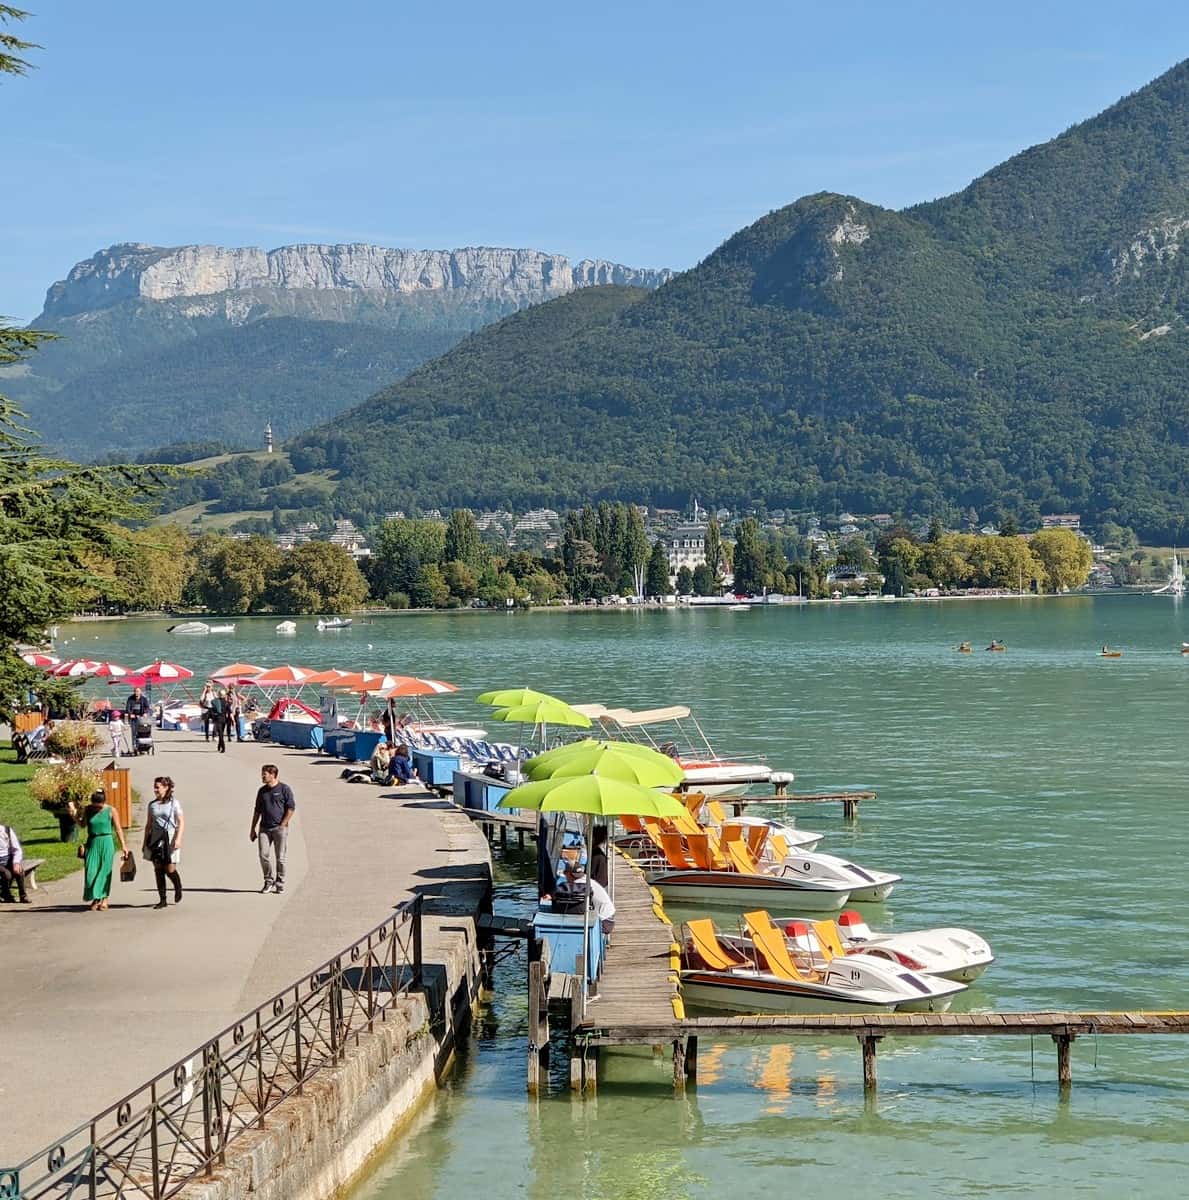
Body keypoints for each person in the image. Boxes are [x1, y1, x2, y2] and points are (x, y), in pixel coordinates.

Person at [80, 788, 129, 911]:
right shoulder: (88, 810)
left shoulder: (111, 810)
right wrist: (73, 813)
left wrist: (123, 845)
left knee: (104, 872)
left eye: (99, 807)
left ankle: (104, 898)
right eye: (95, 806)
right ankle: (95, 897)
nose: (97, 809)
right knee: (90, 872)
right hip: (92, 842)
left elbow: (118, 829)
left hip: (107, 842)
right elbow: (82, 825)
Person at [251, 764, 295, 894]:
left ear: (273, 775)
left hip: (279, 829)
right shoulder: (262, 791)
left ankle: (280, 882)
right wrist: (252, 829)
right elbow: (257, 811)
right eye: (262, 774)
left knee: (280, 858)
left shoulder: (284, 789)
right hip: (264, 828)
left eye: (264, 774)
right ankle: (268, 881)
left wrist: (283, 824)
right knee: (263, 855)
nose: (262, 776)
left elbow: (291, 808)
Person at [143, 776, 184, 909]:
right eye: (154, 787)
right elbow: (148, 824)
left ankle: (177, 886)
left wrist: (178, 838)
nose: (155, 789)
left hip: (170, 837)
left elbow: (181, 822)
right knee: (158, 868)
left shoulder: (174, 803)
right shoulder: (152, 805)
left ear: (166, 788)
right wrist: (145, 843)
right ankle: (162, 899)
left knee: (170, 868)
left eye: (158, 787)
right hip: (155, 838)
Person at [0, 823, 31, 903]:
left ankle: (23, 896)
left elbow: (17, 849)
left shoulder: (7, 830)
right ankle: (6, 894)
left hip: (8, 858)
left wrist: (16, 863)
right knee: (7, 874)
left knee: (19, 871)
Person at [209, 688, 228, 753]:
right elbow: (229, 711)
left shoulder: (215, 702)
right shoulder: (226, 702)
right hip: (224, 719)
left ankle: (223, 747)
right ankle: (219, 745)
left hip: (218, 719)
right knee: (221, 733)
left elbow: (213, 710)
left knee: (220, 734)